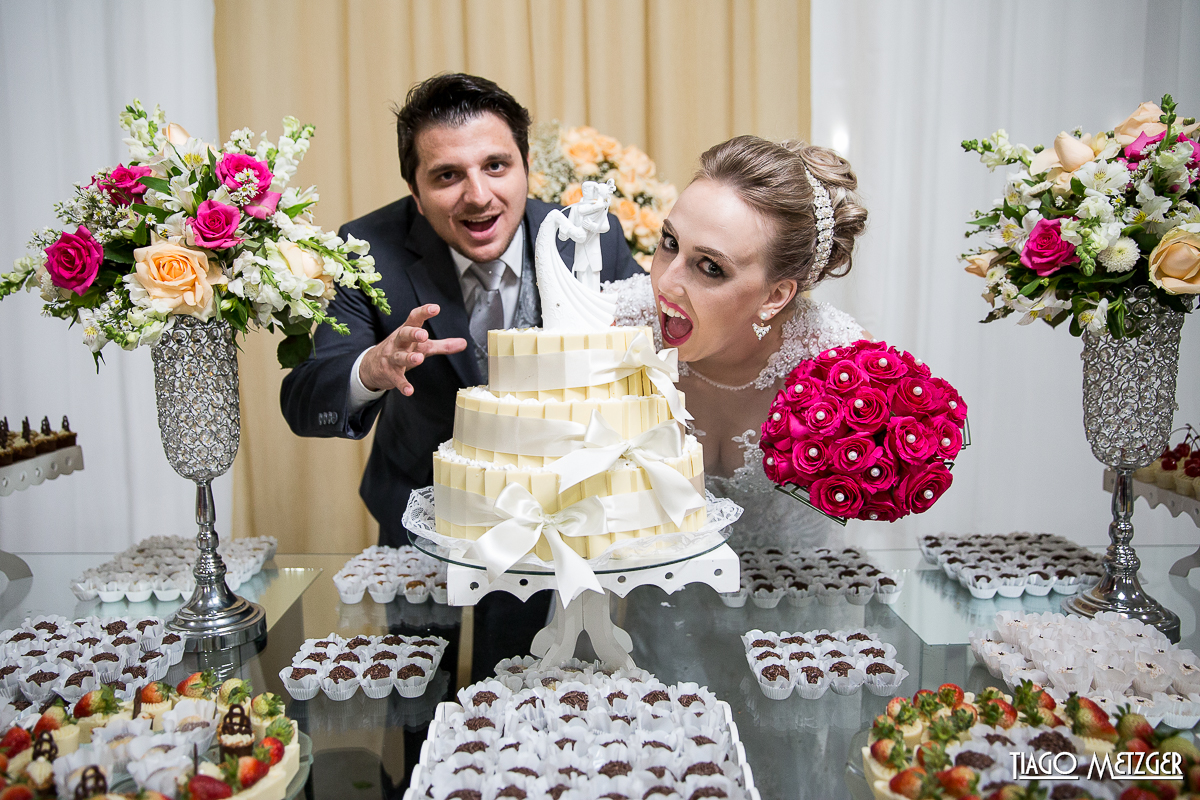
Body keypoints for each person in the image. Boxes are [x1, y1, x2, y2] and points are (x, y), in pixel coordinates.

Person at [279, 73, 640, 680]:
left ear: (527, 168)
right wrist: (372, 367)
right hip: (419, 507)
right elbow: (303, 396)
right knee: (418, 690)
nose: (478, 196)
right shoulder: (366, 247)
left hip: (547, 516)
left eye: (496, 166)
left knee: (519, 688)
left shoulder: (590, 242)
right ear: (416, 193)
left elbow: (646, 351)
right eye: (447, 175)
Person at [607, 135, 869, 550]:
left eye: (710, 267)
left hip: (797, 581)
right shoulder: (612, 326)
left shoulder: (842, 367)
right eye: (670, 243)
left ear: (774, 296)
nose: (666, 282)